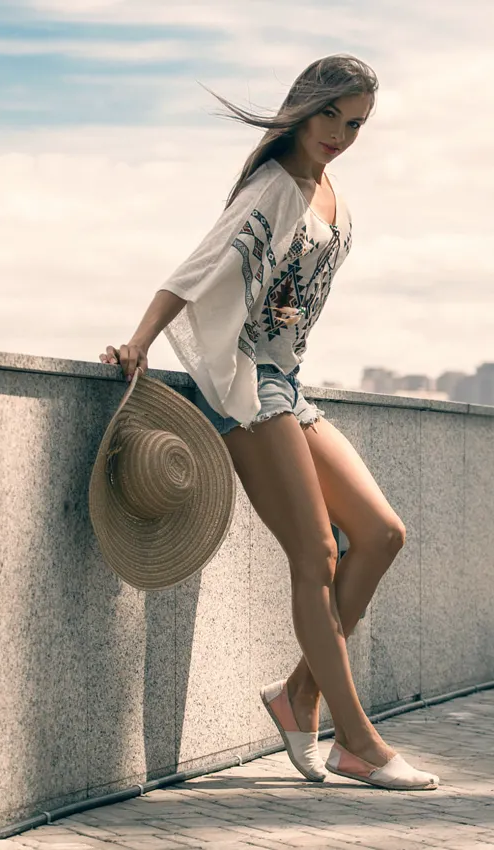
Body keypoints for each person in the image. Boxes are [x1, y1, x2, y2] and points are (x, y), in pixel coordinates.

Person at [100, 55, 438, 791]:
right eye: (331, 118)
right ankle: (358, 743)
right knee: (316, 551)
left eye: (356, 126)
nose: (341, 136)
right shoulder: (275, 186)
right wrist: (139, 342)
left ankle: (300, 697)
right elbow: (195, 270)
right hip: (243, 383)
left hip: (287, 382)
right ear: (301, 109)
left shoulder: (328, 192)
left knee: (381, 534)